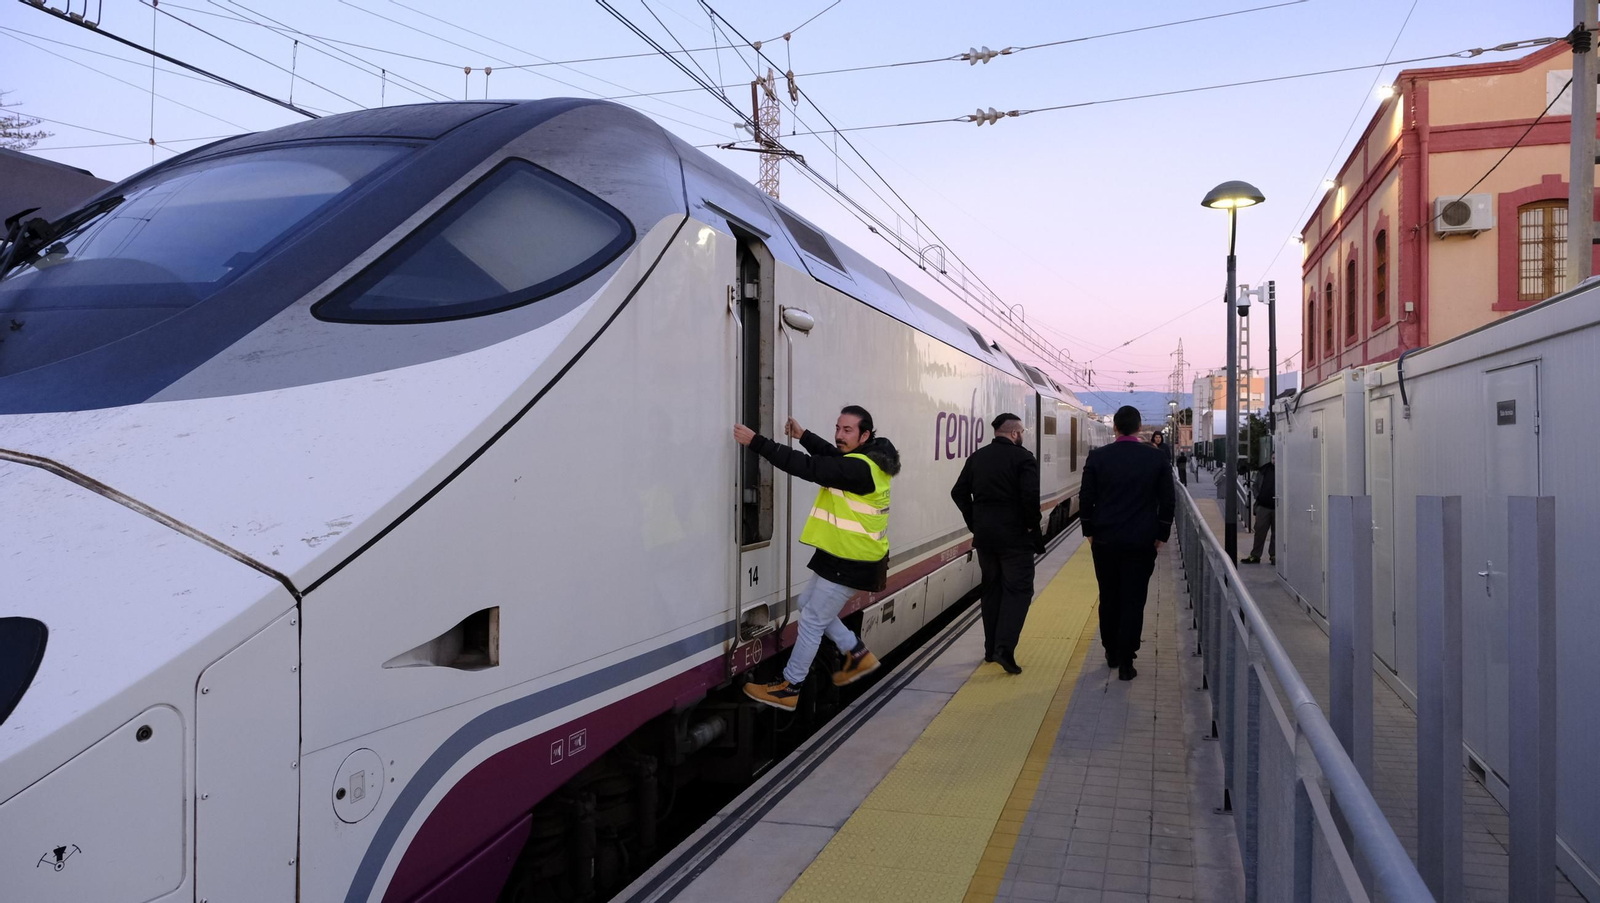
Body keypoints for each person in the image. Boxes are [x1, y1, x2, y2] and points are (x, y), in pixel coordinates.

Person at [734, 406, 902, 710]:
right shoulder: (866, 457)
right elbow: (833, 457)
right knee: (806, 606)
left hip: (852, 561)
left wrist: (756, 442)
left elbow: (812, 468)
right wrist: (804, 436)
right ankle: (856, 654)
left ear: (864, 435)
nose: (839, 435)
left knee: (811, 620)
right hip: (841, 556)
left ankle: (790, 686)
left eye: (847, 430)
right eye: (838, 428)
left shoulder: (861, 469)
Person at [1080, 406, 1175, 681]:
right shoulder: (1155, 458)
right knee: (1134, 599)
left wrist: (1089, 530)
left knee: (1109, 596)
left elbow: (1086, 497)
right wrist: (1162, 534)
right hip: (1142, 540)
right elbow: (1167, 500)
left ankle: (1111, 650)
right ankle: (1127, 661)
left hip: (1106, 540)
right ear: (1139, 427)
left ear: (1115, 429)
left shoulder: (1098, 457)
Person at [950, 413, 1044, 675]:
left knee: (991, 590)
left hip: (986, 538)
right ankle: (1005, 648)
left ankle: (990, 649)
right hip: (1015, 539)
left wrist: (974, 521)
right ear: (1015, 433)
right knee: (1018, 591)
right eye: (1021, 431)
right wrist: (1029, 523)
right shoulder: (1024, 458)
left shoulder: (977, 457)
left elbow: (958, 492)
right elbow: (1029, 495)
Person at [1242, 455, 1276, 565]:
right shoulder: (1264, 470)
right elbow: (1255, 485)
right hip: (1263, 506)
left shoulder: (1285, 471)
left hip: (1278, 508)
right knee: (1259, 532)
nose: (1274, 460)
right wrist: (1258, 497)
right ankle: (1255, 555)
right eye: (1273, 458)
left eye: (1276, 458)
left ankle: (1274, 555)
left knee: (1277, 534)